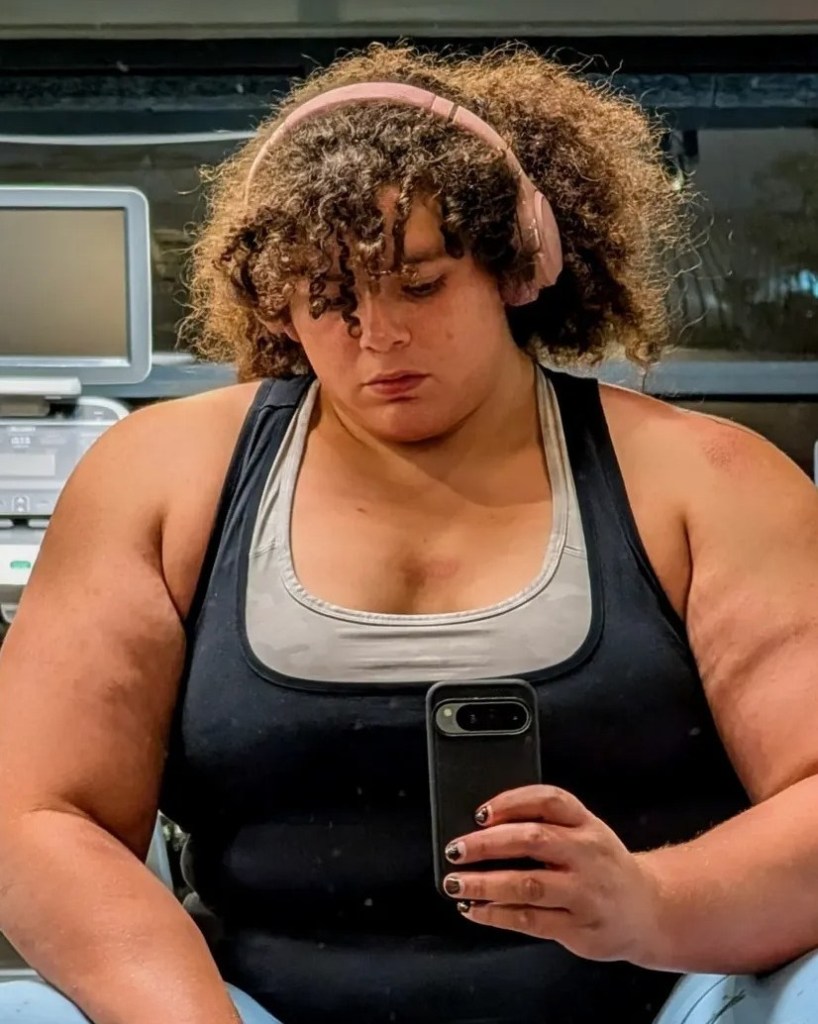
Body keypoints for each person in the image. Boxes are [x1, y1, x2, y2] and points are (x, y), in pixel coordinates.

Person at [0, 40, 816, 1024]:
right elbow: (38, 815)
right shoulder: (158, 479)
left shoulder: (708, 482)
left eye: (419, 285)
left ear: (517, 266)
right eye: (328, 298)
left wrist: (652, 903)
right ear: (274, 301)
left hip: (658, 1000)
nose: (378, 335)